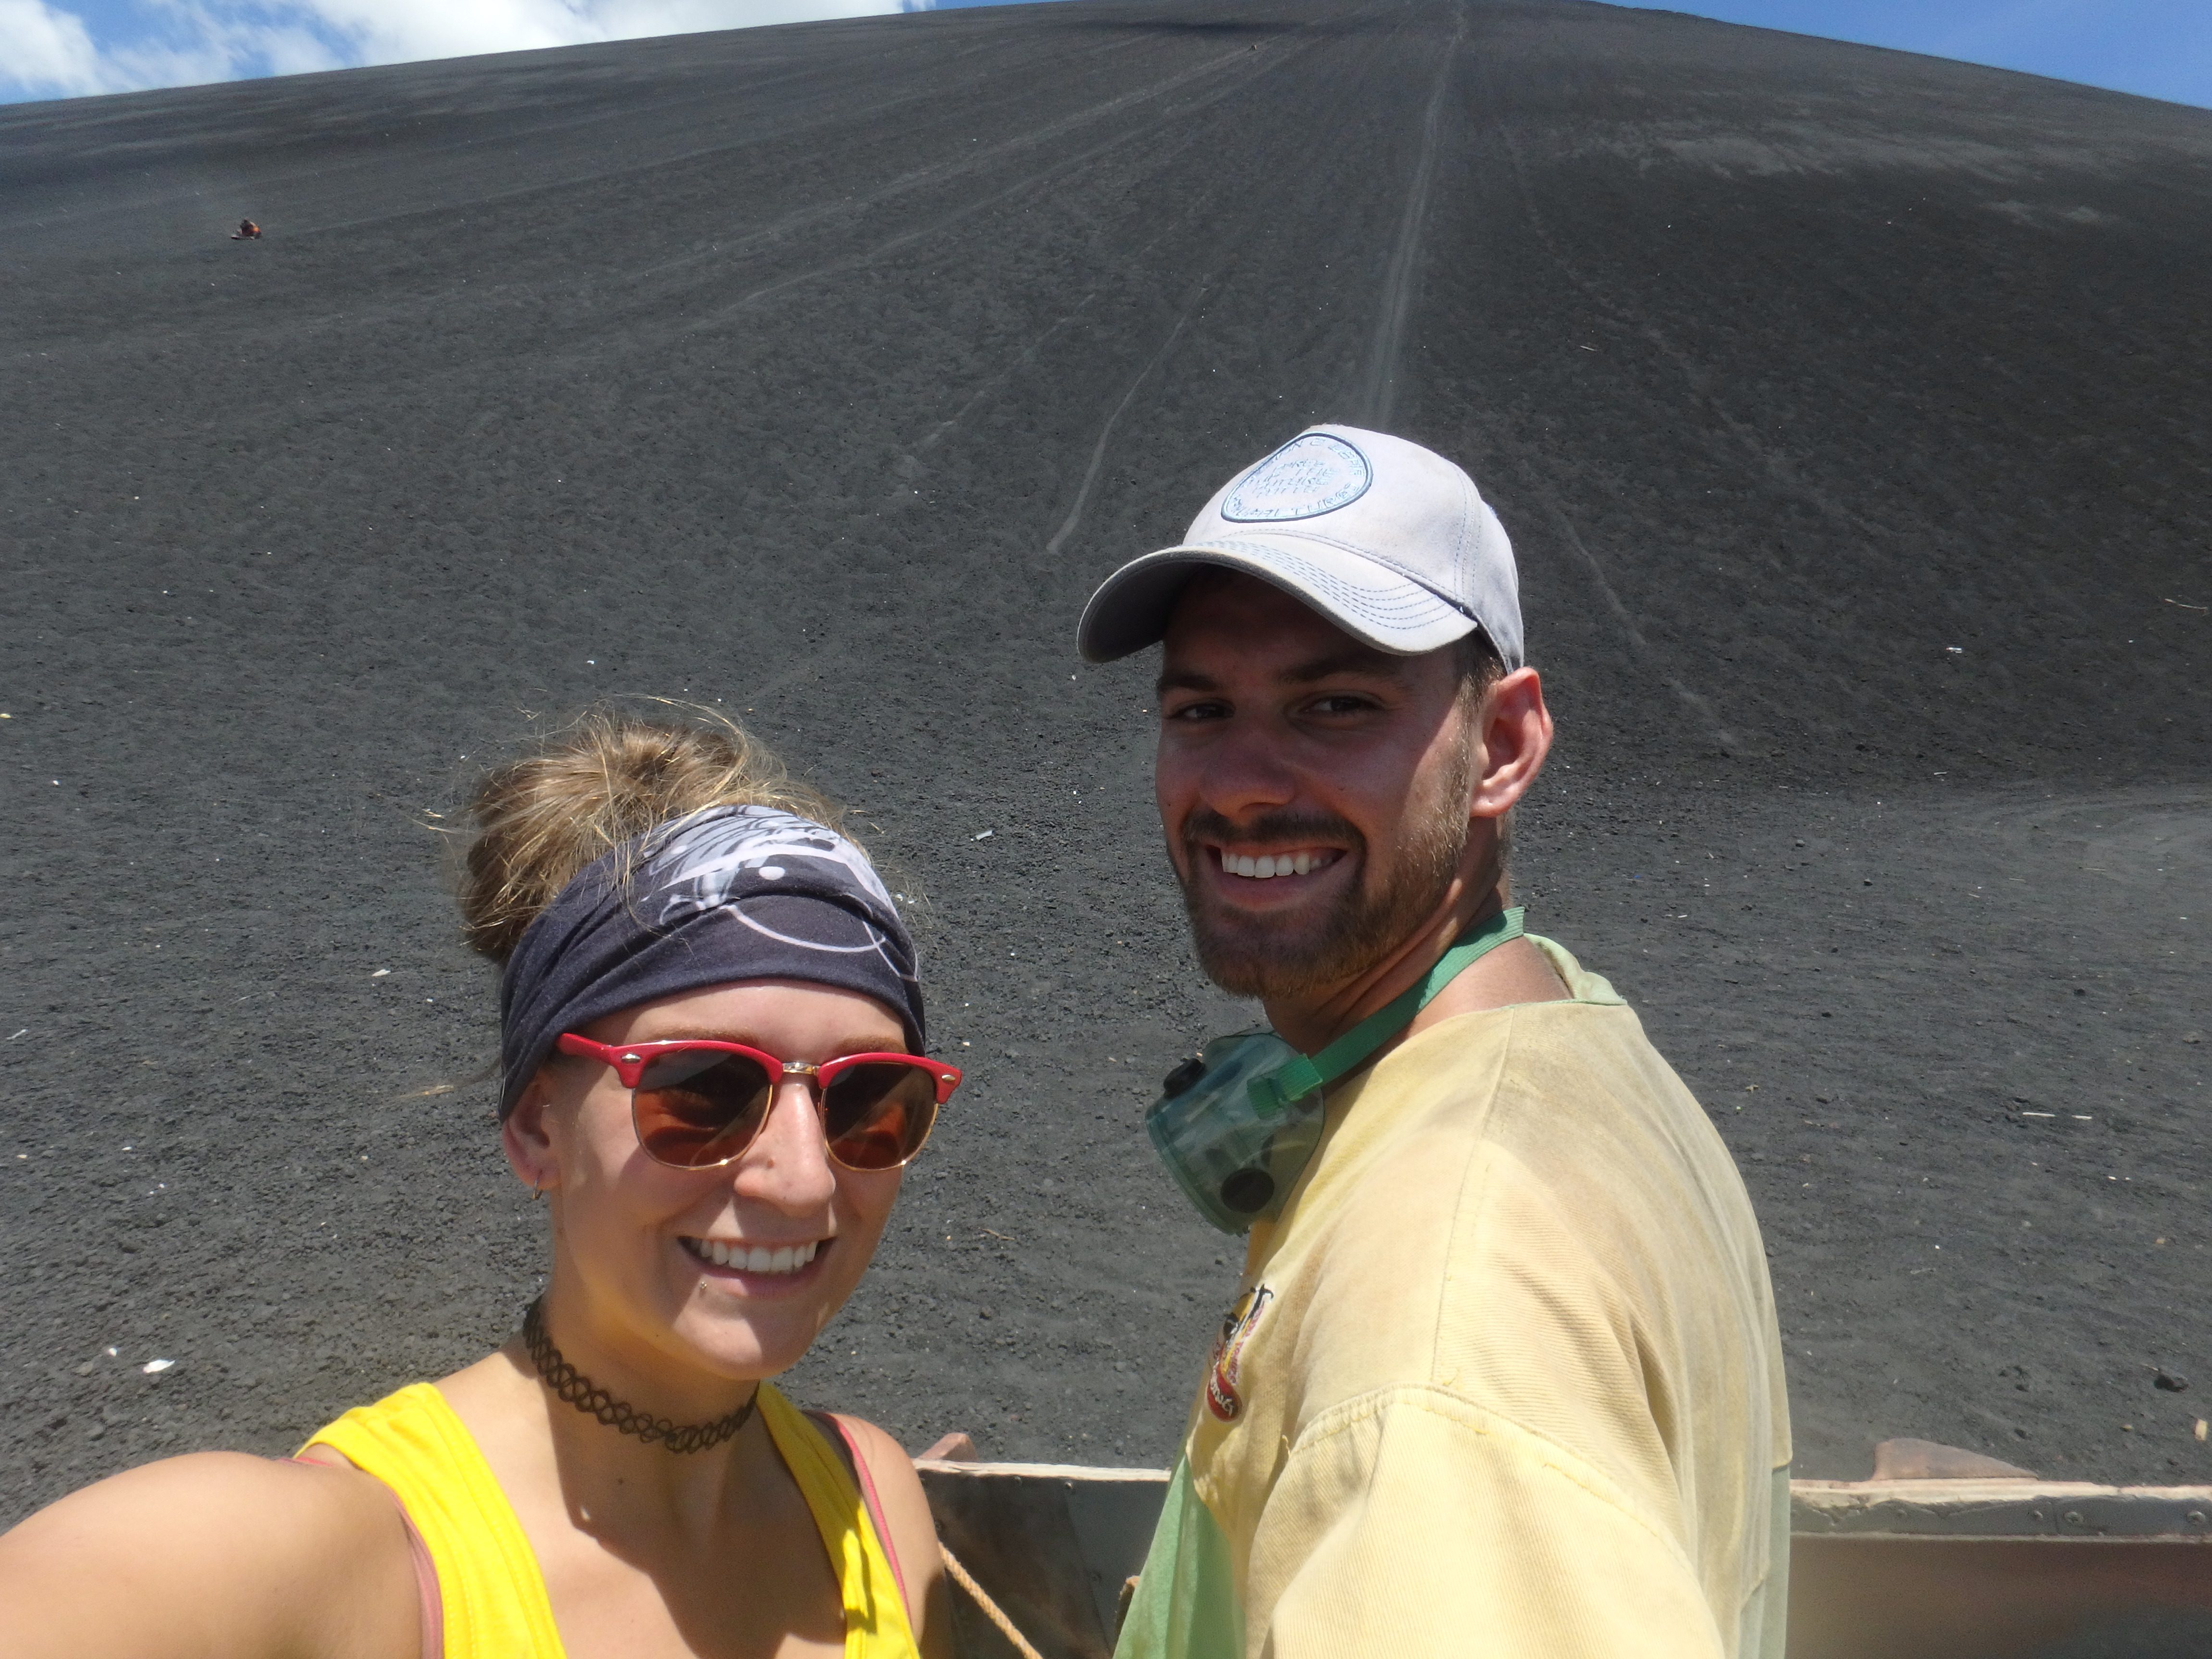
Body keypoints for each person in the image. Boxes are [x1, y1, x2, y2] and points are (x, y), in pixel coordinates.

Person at [0, 710, 953, 1659]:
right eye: (705, 1089)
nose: (803, 1180)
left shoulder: (876, 1507)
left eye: (869, 1098)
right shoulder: (309, 1566)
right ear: (538, 1126)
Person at [1078, 427, 1791, 1658]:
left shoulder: (1444, 1335)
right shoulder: (1558, 1020)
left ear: (1502, 745)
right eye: (1202, 709)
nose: (1240, 783)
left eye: (1335, 706)